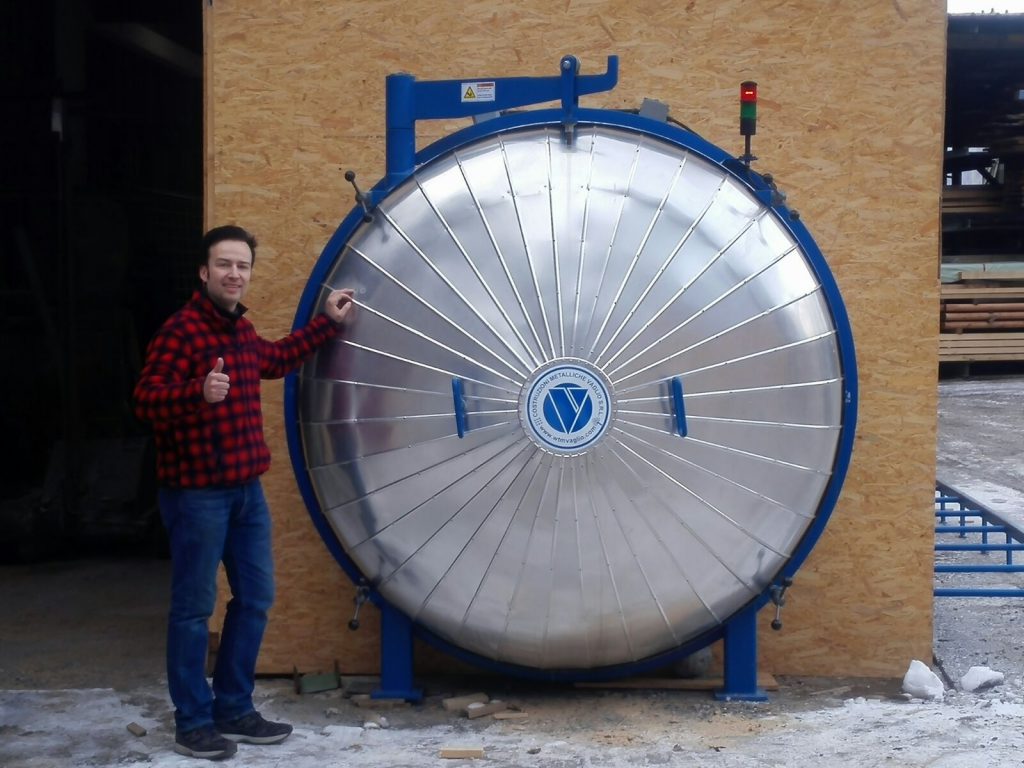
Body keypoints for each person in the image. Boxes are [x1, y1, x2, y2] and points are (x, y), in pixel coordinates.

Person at [134, 225, 353, 760]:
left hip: (244, 494)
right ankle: (193, 721)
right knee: (193, 610)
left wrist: (327, 324)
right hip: (196, 497)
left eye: (243, 266)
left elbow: (274, 360)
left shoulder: (240, 331)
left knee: (255, 599)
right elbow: (145, 402)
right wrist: (197, 392)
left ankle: (233, 708)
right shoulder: (180, 333)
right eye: (225, 265)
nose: (235, 274)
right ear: (204, 272)